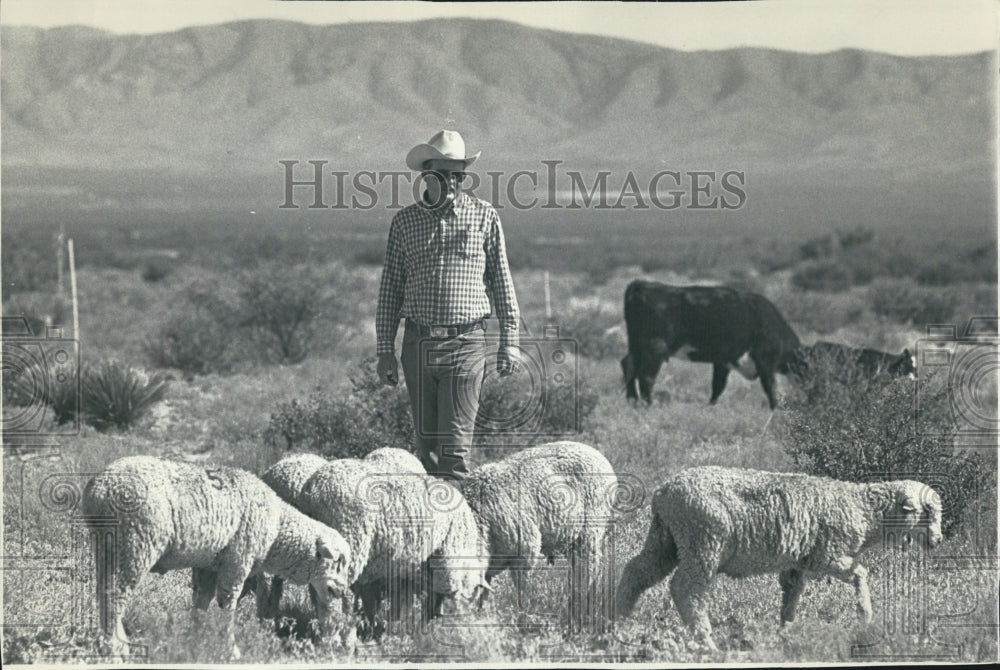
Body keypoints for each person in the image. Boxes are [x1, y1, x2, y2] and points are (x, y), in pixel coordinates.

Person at [376, 130, 520, 481]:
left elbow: (501, 280)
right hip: (418, 344)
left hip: (466, 344)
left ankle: (461, 532)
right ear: (426, 176)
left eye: (459, 174)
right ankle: (432, 532)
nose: (453, 182)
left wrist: (510, 341)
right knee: (427, 452)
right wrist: (384, 350)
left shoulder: (485, 217)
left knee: (454, 455)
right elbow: (390, 289)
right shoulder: (405, 222)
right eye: (444, 174)